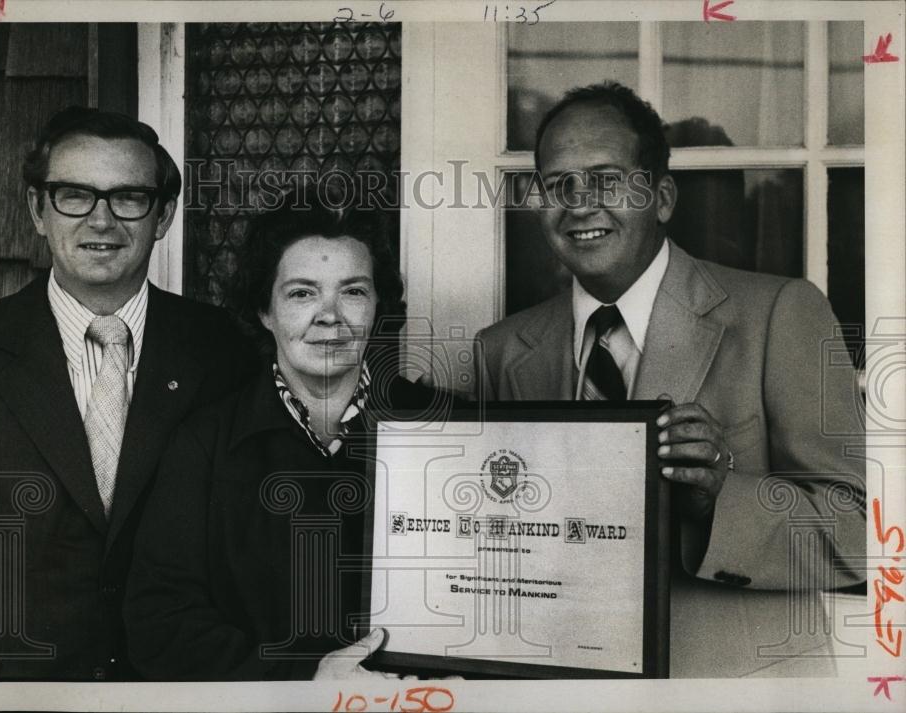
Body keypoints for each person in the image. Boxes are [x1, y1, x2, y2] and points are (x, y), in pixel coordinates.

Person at [475, 82, 866, 677]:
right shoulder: (501, 351)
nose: (580, 203)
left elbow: (860, 534)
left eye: (607, 179)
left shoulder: (782, 312)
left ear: (661, 197)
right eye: (559, 185)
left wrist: (720, 496)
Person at [0, 107, 257, 680]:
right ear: (38, 210)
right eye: (75, 195)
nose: (101, 220)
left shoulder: (222, 348)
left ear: (163, 216)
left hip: (174, 686)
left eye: (129, 196)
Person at [124, 190, 454, 680]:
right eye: (302, 292)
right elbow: (161, 620)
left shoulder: (445, 427)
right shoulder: (204, 443)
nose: (330, 315)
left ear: (379, 306)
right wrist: (303, 680)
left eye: (353, 291)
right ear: (264, 310)